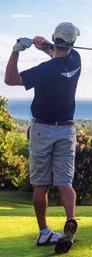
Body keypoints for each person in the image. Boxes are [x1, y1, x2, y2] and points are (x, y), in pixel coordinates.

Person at [4, 22, 81, 254]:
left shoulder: (44, 71)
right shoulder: (76, 60)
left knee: (41, 185)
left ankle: (44, 232)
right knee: (65, 183)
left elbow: (10, 79)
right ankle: (70, 220)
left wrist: (16, 50)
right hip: (66, 130)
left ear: (54, 38)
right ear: (73, 42)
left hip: (42, 130)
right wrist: (45, 47)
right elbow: (58, 53)